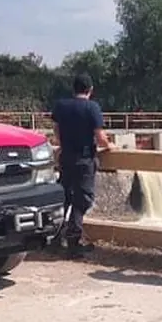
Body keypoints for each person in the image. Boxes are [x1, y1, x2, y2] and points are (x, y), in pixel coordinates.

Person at [51, 72, 112, 257]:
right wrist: (110, 145)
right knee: (82, 199)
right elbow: (101, 139)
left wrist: (62, 145)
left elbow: (56, 130)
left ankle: (54, 238)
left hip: (66, 158)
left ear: (73, 89)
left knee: (64, 198)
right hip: (85, 160)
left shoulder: (61, 106)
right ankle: (73, 242)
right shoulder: (92, 107)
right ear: (90, 90)